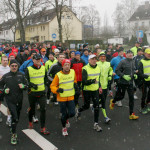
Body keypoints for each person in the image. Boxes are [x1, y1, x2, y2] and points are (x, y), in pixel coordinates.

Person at [0, 59, 27, 145]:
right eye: (12, 66)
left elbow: (27, 85)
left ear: (17, 66)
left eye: (15, 66)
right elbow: (0, 86)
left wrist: (23, 86)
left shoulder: (21, 75)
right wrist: (4, 90)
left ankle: (13, 127)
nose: (14, 67)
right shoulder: (6, 76)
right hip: (10, 100)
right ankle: (14, 134)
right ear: (10, 66)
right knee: (14, 117)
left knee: (17, 118)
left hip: (19, 99)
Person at [109, 50, 139, 120]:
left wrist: (134, 74)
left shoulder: (133, 61)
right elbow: (117, 70)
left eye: (131, 53)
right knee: (121, 96)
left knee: (131, 98)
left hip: (130, 83)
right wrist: (123, 76)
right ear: (126, 55)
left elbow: (132, 70)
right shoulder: (123, 62)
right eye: (128, 53)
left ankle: (131, 114)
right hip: (122, 82)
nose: (130, 54)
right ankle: (113, 101)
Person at [50, 59, 77, 136]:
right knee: (63, 114)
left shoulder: (73, 72)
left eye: (68, 65)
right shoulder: (58, 75)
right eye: (65, 65)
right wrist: (57, 90)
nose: (67, 66)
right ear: (62, 66)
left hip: (71, 96)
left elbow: (74, 80)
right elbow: (52, 86)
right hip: (62, 98)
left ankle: (66, 119)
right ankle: (64, 127)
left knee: (72, 113)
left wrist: (75, 84)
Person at [76, 54, 102, 132]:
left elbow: (98, 79)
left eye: (95, 59)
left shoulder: (98, 67)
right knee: (86, 106)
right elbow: (84, 82)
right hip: (86, 90)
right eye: (92, 59)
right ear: (89, 60)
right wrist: (92, 81)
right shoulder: (85, 68)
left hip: (95, 90)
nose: (94, 60)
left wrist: (99, 86)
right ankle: (79, 110)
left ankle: (96, 124)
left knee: (97, 106)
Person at [25, 54, 50, 135]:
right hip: (32, 93)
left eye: (39, 59)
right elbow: (26, 81)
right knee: (32, 109)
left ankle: (43, 127)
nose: (38, 60)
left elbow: (45, 77)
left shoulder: (43, 67)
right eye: (36, 59)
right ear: (33, 60)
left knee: (43, 110)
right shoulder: (29, 69)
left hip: (42, 92)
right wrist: (31, 84)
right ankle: (30, 122)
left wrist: (46, 82)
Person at [97, 52, 113, 123]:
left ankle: (95, 105)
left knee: (103, 99)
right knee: (102, 101)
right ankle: (105, 117)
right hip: (98, 85)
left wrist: (110, 76)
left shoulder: (108, 63)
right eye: (101, 56)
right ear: (99, 57)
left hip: (105, 85)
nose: (103, 58)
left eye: (104, 56)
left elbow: (111, 70)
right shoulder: (96, 64)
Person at [138, 48, 150, 114]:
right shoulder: (142, 62)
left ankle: (147, 104)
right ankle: (142, 107)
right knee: (144, 95)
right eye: (148, 54)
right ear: (145, 54)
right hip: (144, 81)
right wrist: (144, 76)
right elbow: (139, 73)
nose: (149, 55)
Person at [0, 56, 10, 123]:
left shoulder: (9, 68)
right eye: (4, 60)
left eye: (6, 60)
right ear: (1, 61)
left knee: (9, 104)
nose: (5, 61)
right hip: (0, 88)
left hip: (8, 88)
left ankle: (9, 118)